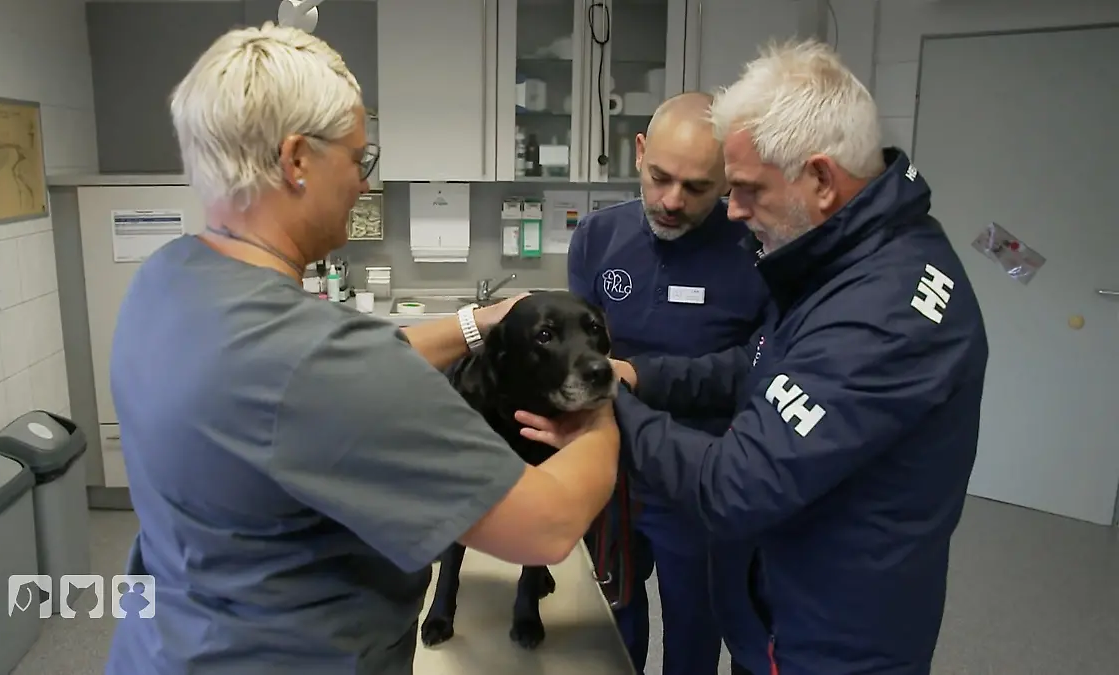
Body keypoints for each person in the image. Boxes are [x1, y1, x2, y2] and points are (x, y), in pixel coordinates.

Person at [105, 23, 620, 675]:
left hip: (167, 646)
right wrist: (601, 406)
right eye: (358, 159)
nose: (361, 182)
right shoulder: (318, 363)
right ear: (297, 161)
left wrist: (478, 321)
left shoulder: (167, 278)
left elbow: (344, 364)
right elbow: (546, 526)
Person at [520, 40, 989, 675]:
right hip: (781, 593)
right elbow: (757, 364)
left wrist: (609, 406)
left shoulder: (881, 310)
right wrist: (641, 377)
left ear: (821, 179)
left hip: (831, 633)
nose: (733, 212)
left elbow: (735, 485)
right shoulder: (846, 262)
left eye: (743, 190)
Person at [567, 91, 767, 675]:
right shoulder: (597, 239)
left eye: (698, 187)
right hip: (609, 467)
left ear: (728, 178)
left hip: (698, 477)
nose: (672, 201)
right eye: (660, 178)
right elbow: (582, 351)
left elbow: (756, 367)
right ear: (638, 153)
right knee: (608, 624)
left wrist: (646, 378)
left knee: (694, 631)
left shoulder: (756, 249)